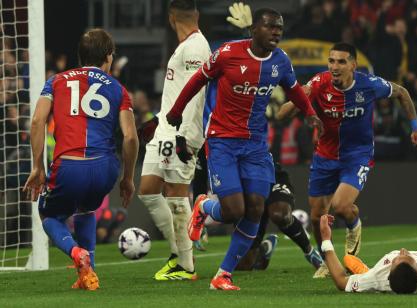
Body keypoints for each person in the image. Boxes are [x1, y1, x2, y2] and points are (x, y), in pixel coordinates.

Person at [166, 8, 323, 290]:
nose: (276, 32)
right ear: (254, 30)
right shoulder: (227, 53)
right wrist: (177, 111)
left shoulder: (281, 61)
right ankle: (204, 207)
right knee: (233, 210)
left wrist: (309, 112)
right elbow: (198, 79)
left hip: (256, 145)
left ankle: (222, 275)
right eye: (270, 27)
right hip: (223, 140)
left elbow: (294, 89)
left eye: (280, 28)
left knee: (255, 208)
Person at [278, 42, 417, 278]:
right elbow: (282, 114)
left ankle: (353, 225)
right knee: (316, 216)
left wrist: (415, 128)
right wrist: (299, 99)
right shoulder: (318, 84)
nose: (334, 66)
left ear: (353, 65)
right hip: (325, 155)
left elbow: (403, 93)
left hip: (357, 155)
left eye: (341, 61)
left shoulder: (369, 84)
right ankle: (328, 260)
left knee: (341, 206)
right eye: (331, 61)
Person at [23, 28, 138, 290]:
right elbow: (131, 137)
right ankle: (89, 275)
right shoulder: (119, 89)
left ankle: (77, 254)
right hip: (105, 167)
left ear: (80, 55)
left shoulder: (56, 81)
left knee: (49, 215)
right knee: (87, 208)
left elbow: (38, 120)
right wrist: (128, 179)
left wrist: (38, 166)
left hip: (69, 165)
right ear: (108, 57)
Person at [136, 0, 210, 281]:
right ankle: (179, 250)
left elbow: (195, 94)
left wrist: (182, 136)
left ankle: (185, 264)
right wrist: (157, 120)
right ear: (197, 15)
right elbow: (180, 92)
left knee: (176, 195)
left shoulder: (195, 47)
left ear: (170, 18)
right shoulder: (187, 45)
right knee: (148, 189)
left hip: (180, 133)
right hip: (165, 128)